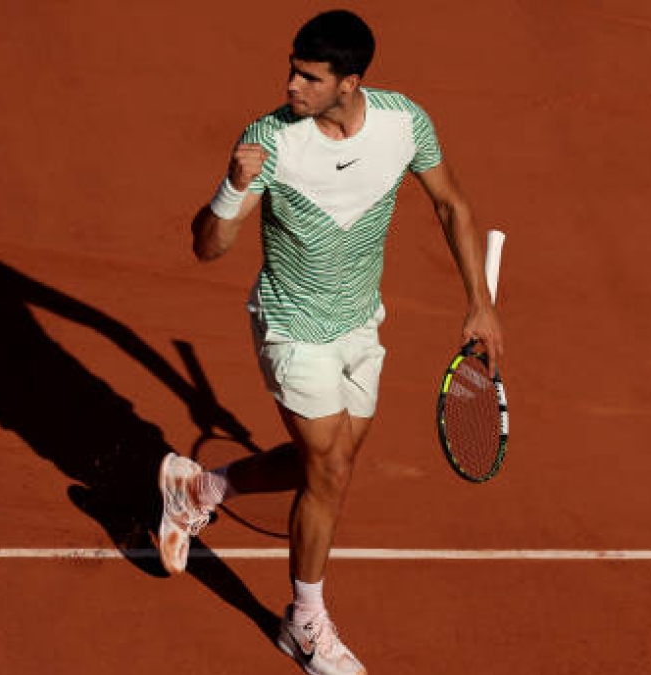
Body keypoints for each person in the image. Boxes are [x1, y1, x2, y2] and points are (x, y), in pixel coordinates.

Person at [156, 9, 504, 675]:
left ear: (350, 83)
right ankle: (304, 622)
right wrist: (232, 187)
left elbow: (452, 205)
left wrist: (479, 306)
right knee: (331, 469)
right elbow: (205, 246)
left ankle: (197, 490)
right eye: (292, 68)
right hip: (290, 325)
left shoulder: (405, 124)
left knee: (329, 459)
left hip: (358, 322)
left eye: (310, 77)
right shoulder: (272, 141)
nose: (291, 84)